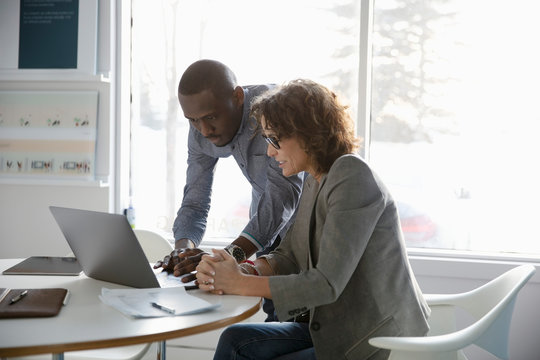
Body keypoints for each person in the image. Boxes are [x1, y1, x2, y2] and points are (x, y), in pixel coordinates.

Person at [195, 79, 431, 360]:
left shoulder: (352, 175)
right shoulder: (315, 178)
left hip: (375, 337)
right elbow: (289, 254)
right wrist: (245, 270)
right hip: (338, 326)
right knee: (235, 340)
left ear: (308, 135)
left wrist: (238, 283)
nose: (270, 151)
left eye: (274, 139)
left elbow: (325, 284)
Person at [154, 59, 303, 320]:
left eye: (211, 117)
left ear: (237, 97)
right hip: (269, 241)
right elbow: (195, 203)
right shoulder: (200, 126)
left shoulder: (273, 111)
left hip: (309, 238)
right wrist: (183, 252)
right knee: (273, 328)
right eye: (193, 121)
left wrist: (229, 259)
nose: (204, 130)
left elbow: (283, 196)